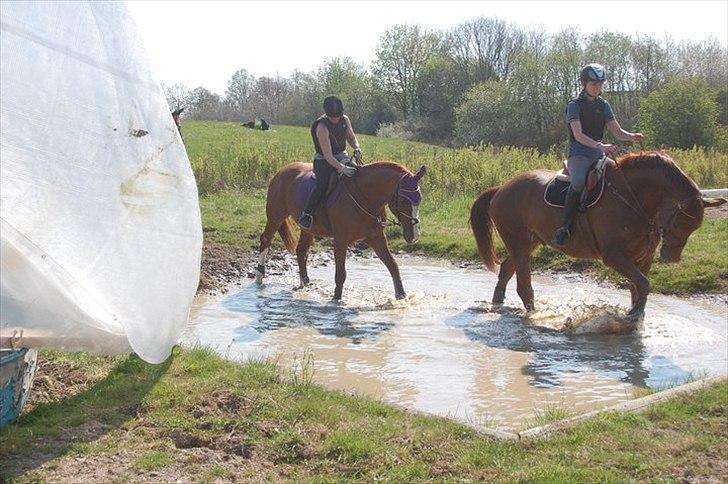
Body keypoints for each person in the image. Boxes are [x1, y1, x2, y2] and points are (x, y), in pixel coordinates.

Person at [552, 63, 644, 247]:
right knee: (578, 182)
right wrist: (600, 146)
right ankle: (565, 227)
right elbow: (578, 135)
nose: (597, 87)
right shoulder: (574, 105)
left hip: (598, 153)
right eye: (593, 83)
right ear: (584, 83)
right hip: (579, 154)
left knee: (620, 178)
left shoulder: (604, 105)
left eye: (600, 84)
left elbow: (616, 131)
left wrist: (632, 136)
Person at [297, 96, 362, 230]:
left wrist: (356, 147)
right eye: (333, 117)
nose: (336, 119)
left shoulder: (345, 119)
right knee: (322, 185)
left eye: (338, 116)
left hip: (341, 155)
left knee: (358, 175)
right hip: (323, 160)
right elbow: (328, 155)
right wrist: (342, 168)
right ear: (327, 114)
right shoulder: (322, 127)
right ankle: (306, 213)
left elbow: (351, 137)